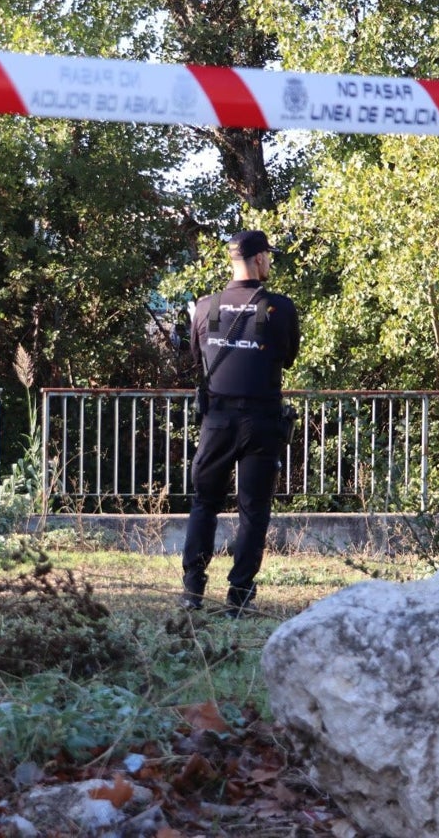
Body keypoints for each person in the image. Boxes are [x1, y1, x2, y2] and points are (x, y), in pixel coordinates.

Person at [181, 229, 300, 617]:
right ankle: (240, 597)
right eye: (269, 256)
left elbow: (196, 360)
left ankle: (193, 592)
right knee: (253, 509)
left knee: (204, 504)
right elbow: (287, 358)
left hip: (216, 420)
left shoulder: (205, 307)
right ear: (260, 258)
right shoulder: (280, 308)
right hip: (261, 421)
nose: (270, 263)